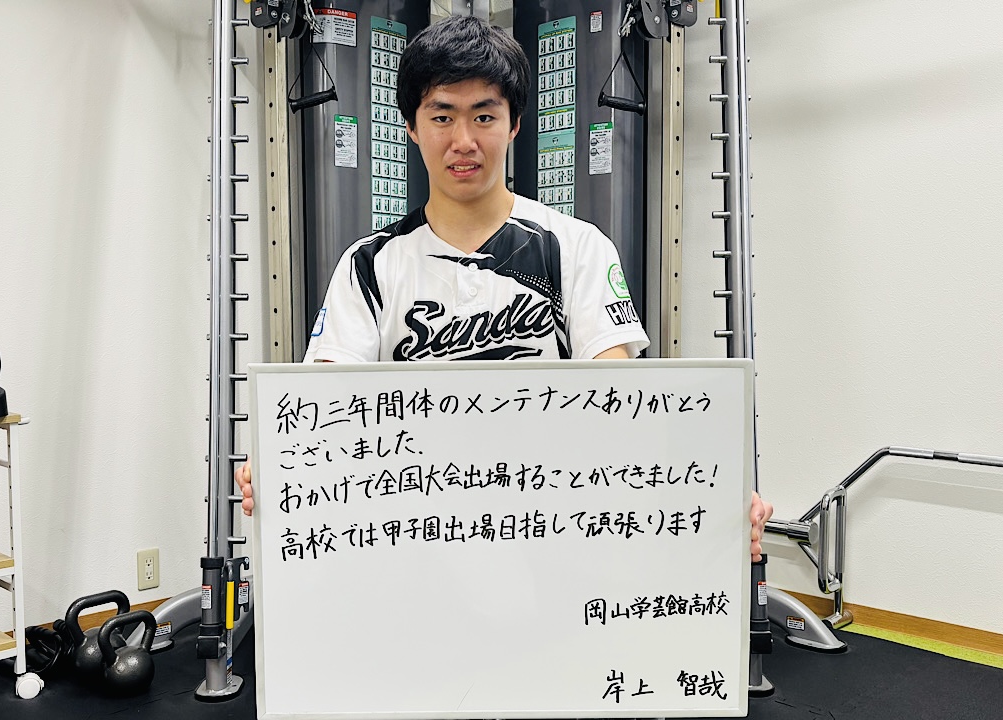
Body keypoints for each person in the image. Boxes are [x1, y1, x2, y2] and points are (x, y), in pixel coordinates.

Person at [236, 15, 773, 559]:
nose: (463, 141)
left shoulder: (577, 247)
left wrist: (708, 499)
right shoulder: (369, 264)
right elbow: (326, 407)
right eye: (441, 116)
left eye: (484, 116)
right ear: (411, 127)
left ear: (515, 124)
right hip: (415, 543)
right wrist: (285, 463)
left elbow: (621, 406)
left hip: (550, 537)